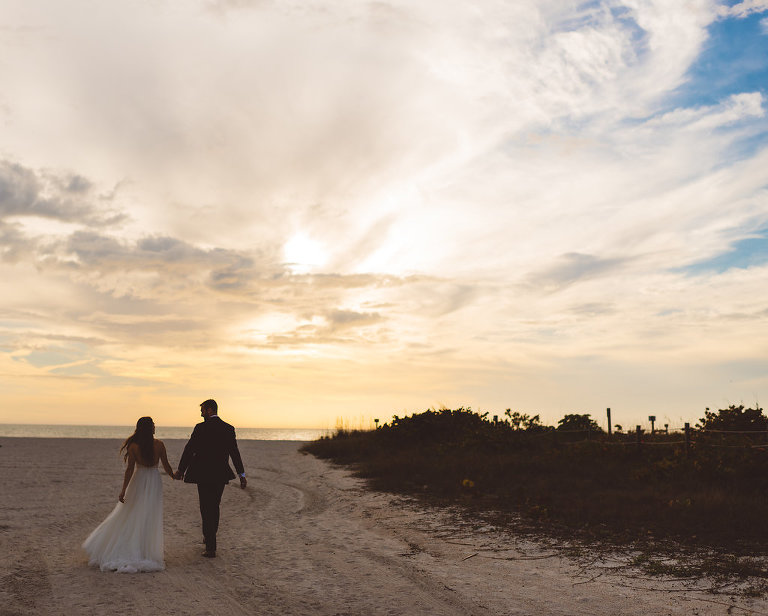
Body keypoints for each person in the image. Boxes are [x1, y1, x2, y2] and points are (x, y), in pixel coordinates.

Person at [83, 417, 175, 572]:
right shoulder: (159, 445)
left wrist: (124, 489)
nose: (155, 427)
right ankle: (145, 549)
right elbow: (166, 465)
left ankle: (135, 546)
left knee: (133, 513)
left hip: (138, 481)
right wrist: (175, 475)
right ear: (149, 428)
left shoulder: (133, 446)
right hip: (153, 481)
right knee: (149, 515)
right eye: (153, 425)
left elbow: (130, 470)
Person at [175, 399, 246, 558]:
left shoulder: (200, 428)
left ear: (209, 410)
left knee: (205, 507)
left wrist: (181, 469)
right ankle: (209, 537)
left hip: (203, 473)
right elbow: (234, 453)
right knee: (214, 506)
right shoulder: (228, 428)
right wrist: (241, 474)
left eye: (202, 410)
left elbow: (189, 449)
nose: (201, 414)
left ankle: (210, 546)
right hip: (220, 474)